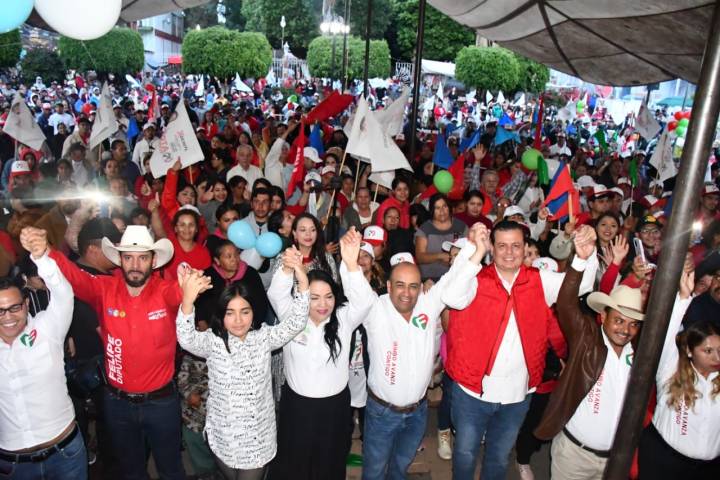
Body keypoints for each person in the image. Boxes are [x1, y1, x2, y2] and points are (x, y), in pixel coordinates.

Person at [443, 222, 599, 480]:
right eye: (502, 245)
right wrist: (475, 251)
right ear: (492, 248)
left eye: (516, 246)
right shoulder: (475, 278)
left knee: (499, 456)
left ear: (526, 248)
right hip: (471, 393)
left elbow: (579, 287)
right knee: (465, 453)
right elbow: (451, 297)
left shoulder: (539, 280)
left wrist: (584, 257)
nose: (509, 252)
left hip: (517, 395)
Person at [39, 225, 186, 479]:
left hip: (161, 403)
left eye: (142, 258)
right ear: (120, 259)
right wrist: (47, 252)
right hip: (118, 404)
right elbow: (74, 276)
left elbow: (182, 294)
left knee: (171, 470)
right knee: (130, 472)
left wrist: (190, 286)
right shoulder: (104, 288)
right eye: (128, 257)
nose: (135, 265)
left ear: (153, 261)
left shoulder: (166, 290)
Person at [360, 223, 489, 480]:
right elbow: (355, 286)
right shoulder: (375, 309)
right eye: (400, 285)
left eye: (413, 286)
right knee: (374, 471)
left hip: (418, 413)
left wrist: (474, 248)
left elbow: (452, 278)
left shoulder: (428, 304)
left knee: (400, 467)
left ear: (421, 287)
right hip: (382, 413)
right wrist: (350, 261)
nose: (407, 293)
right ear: (388, 286)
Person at [176, 247, 310, 480]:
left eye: (245, 312)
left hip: (257, 441)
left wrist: (302, 278)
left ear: (253, 313)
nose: (238, 320)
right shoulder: (213, 342)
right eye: (230, 313)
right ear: (221, 315)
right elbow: (186, 338)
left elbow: (297, 322)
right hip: (223, 437)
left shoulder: (264, 338)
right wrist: (188, 300)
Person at [533, 229, 648, 480]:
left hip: (617, 460)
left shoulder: (642, 353)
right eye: (619, 320)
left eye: (633, 324)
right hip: (574, 456)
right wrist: (579, 262)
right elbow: (566, 304)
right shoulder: (587, 339)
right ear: (603, 316)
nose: (625, 330)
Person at [267, 229, 372, 480]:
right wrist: (287, 268)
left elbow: (365, 302)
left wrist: (351, 264)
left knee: (329, 463)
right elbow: (276, 294)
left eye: (328, 297)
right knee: (294, 465)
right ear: (303, 297)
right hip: (297, 407)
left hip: (334, 408)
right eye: (314, 298)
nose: (323, 304)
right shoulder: (292, 315)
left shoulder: (344, 318)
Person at [0, 227, 87, 479]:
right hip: (14, 465)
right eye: (0, 311)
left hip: (65, 454)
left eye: (15, 307)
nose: (8, 317)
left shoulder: (47, 328)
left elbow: (64, 294)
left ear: (26, 304)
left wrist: (42, 258)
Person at [638, 268, 719, 479]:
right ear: (690, 351)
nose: (716, 357)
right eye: (708, 351)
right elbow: (664, 333)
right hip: (664, 462)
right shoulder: (671, 370)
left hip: (708, 470)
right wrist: (683, 298)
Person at [415, 194, 468, 281]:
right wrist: (439, 256)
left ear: (449, 208)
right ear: (432, 210)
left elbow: (469, 252)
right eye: (437, 208)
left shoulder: (461, 227)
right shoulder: (425, 229)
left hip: (456, 278)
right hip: (429, 279)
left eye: (444, 206)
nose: (442, 211)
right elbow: (420, 257)